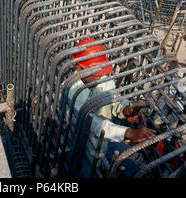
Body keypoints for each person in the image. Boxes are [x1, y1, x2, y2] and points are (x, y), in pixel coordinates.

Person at [66, 38, 156, 177]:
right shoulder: (73, 92)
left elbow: (114, 100)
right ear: (79, 69)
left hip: (106, 142)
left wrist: (126, 109)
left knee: (137, 165)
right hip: (78, 147)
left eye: (101, 72)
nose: (100, 77)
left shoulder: (102, 78)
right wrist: (129, 133)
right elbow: (93, 124)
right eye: (96, 74)